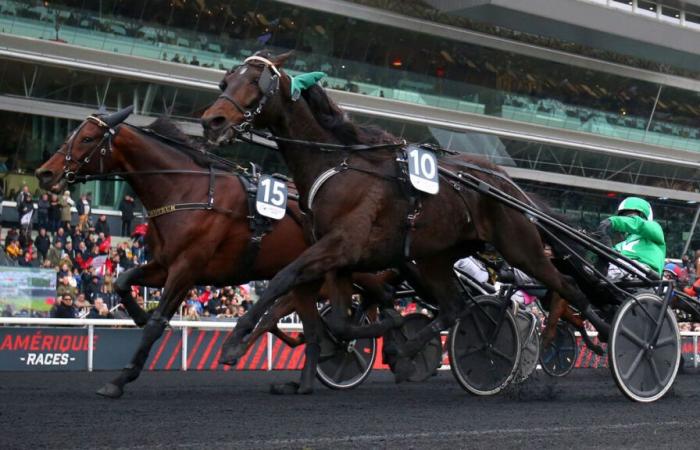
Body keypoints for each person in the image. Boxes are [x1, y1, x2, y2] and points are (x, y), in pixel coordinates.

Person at [596, 197, 666, 278]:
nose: (625, 219)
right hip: (618, 272)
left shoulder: (655, 230)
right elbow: (611, 258)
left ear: (644, 216)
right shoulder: (621, 245)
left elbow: (640, 224)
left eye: (631, 216)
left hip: (645, 273)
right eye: (623, 216)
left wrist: (613, 221)